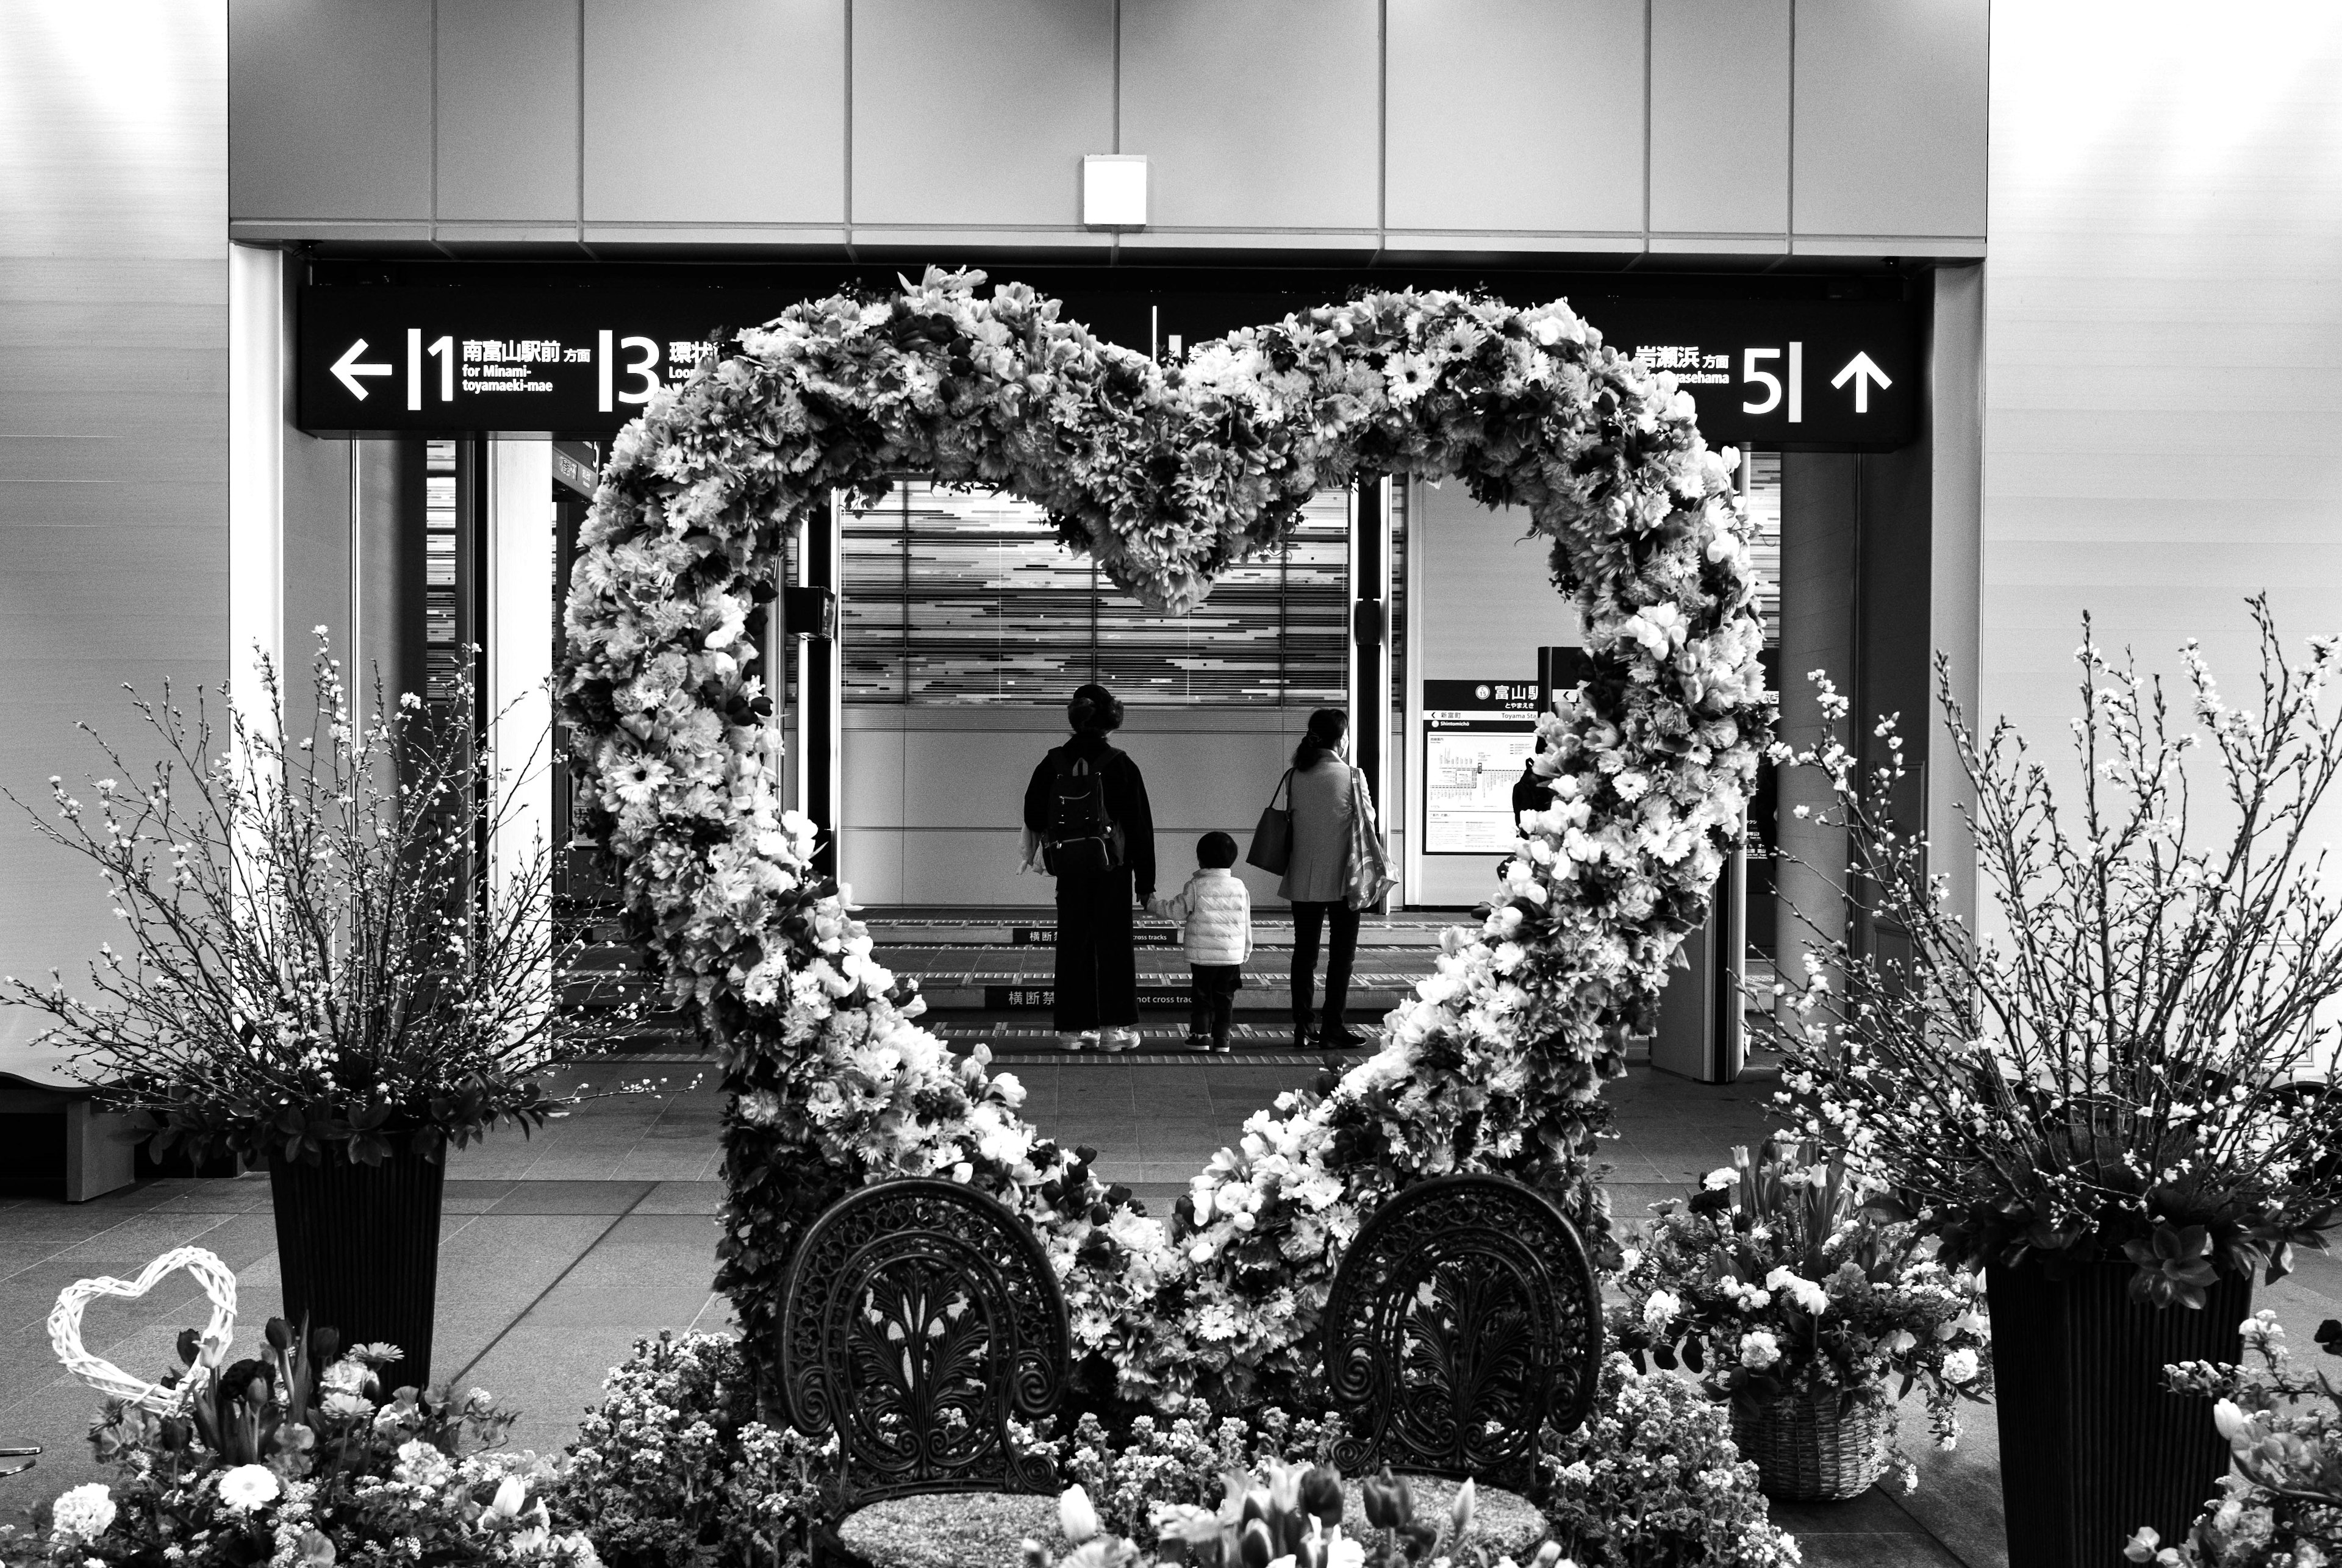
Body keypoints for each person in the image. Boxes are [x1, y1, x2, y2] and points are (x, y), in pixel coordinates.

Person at [1023, 682, 1155, 1051]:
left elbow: (1033, 813)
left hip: (1069, 867)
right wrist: (1146, 881)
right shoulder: (1121, 764)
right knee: (1114, 944)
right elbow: (1141, 827)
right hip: (1112, 869)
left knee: (1072, 943)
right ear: (1109, 720)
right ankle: (1115, 1030)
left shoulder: (1052, 762)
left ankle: (1071, 1030)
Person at [1279, 707, 1372, 1050]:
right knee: (1341, 955)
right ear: (1340, 739)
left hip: (1302, 879)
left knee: (1304, 953)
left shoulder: (1294, 776)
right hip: (1344, 879)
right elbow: (1368, 823)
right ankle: (1333, 1026)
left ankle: (1303, 1023)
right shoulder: (1352, 776)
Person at [1149, 831, 1252, 1054]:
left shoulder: (1196, 886)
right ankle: (1223, 1039)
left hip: (1203, 958)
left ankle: (1200, 1037)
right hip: (1230, 957)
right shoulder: (1239, 887)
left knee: (1202, 996)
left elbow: (1174, 910)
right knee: (1225, 998)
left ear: (1200, 859)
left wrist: (1151, 904)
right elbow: (1246, 922)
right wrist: (1245, 951)